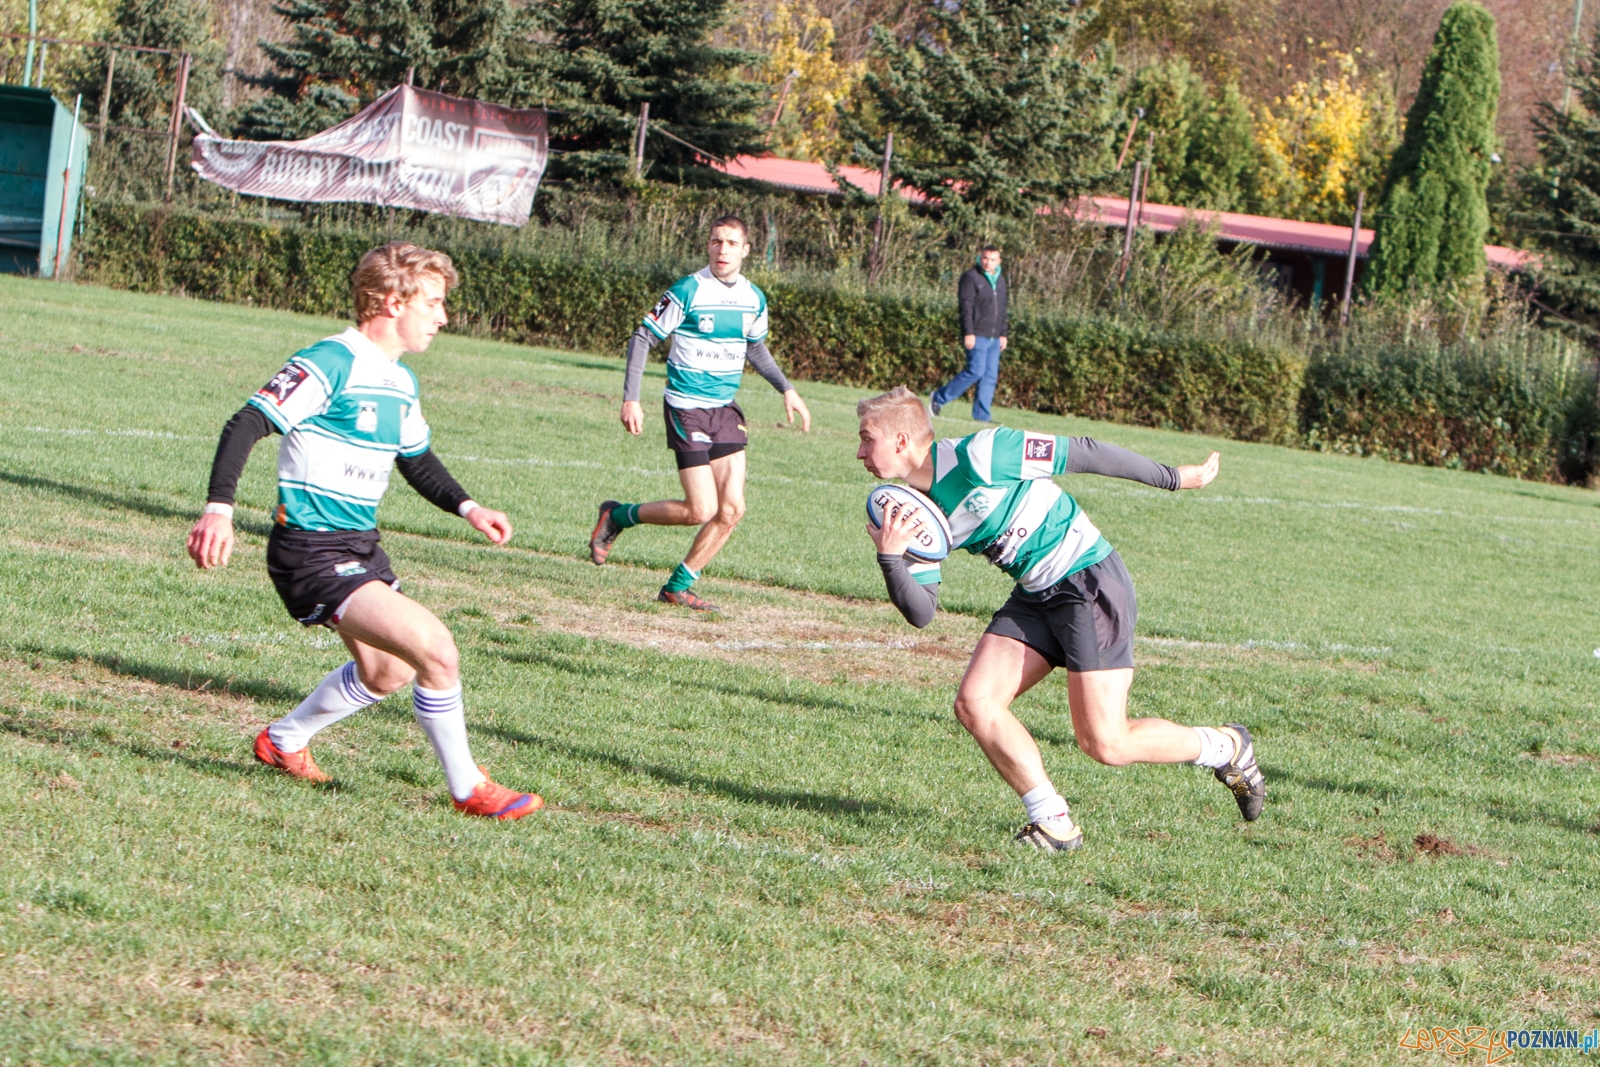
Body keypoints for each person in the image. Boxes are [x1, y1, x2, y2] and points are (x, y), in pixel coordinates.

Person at [185, 241, 541, 821]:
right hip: (311, 548)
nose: (443, 317)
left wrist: (469, 508)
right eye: (433, 302)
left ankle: (283, 740)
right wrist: (218, 510)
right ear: (393, 301)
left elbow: (416, 459)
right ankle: (469, 788)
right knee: (436, 650)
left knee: (388, 669)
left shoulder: (400, 381)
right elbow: (248, 421)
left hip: (359, 546)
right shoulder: (333, 360)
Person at [856, 387, 1264, 850]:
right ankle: (1053, 822)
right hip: (1035, 594)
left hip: (1087, 581)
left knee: (1106, 744)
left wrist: (1173, 477)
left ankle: (1225, 747)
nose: (860, 452)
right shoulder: (911, 510)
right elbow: (922, 611)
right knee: (976, 703)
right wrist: (890, 558)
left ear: (902, 440)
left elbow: (1085, 452)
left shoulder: (983, 454)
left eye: (867, 439)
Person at [588, 215, 811, 611]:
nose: (723, 250)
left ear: (745, 250)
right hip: (686, 408)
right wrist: (631, 398)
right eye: (716, 241)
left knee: (732, 509)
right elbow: (643, 337)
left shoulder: (754, 298)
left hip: (724, 409)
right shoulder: (688, 290)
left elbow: (755, 347)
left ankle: (677, 587)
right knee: (700, 509)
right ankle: (618, 516)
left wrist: (787, 389)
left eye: (731, 243)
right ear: (708, 246)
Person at [931, 245, 1008, 422]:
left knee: (989, 376)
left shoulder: (1001, 280)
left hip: (995, 337)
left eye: (992, 259)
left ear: (999, 261)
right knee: (975, 371)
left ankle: (982, 416)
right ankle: (939, 398)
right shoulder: (971, 277)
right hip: (977, 334)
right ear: (980, 258)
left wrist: (1003, 333)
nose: (988, 262)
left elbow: (1003, 309)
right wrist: (969, 332)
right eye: (985, 258)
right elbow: (965, 307)